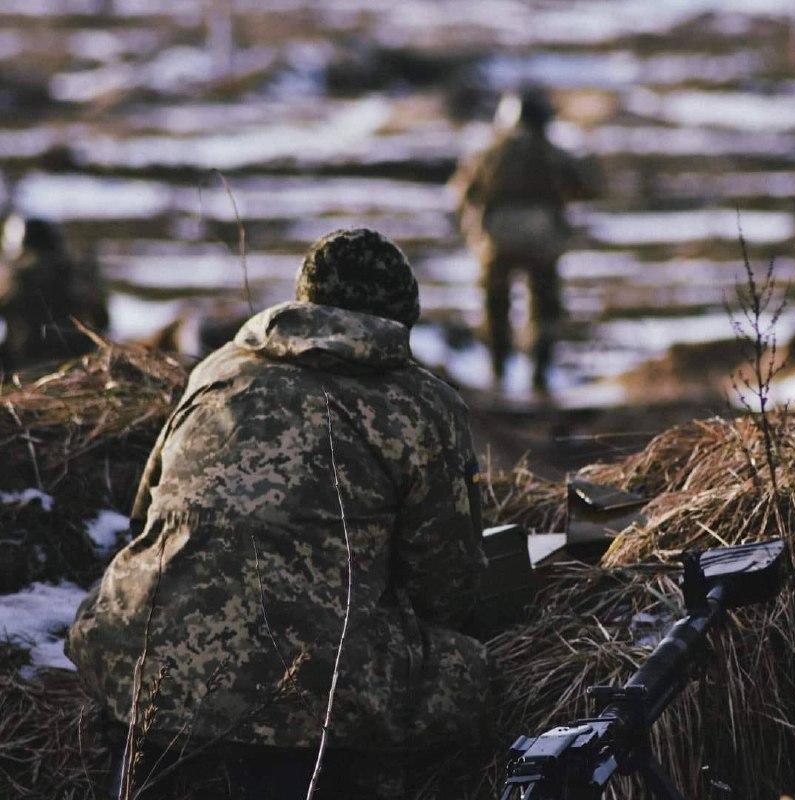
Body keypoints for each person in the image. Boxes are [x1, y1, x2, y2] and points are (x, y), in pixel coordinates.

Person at [67, 228, 491, 799]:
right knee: (470, 676)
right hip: (305, 692)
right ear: (401, 315)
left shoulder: (218, 371)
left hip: (139, 662)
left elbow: (142, 517)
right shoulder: (421, 403)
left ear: (304, 300)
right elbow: (447, 587)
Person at [450, 85, 602, 393]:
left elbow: (462, 192)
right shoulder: (553, 153)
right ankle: (540, 374)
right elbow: (588, 186)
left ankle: (497, 369)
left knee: (495, 305)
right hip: (543, 237)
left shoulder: (489, 153)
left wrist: (471, 230)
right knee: (544, 306)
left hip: (496, 240)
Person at [0, 215, 109, 372]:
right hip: (74, 363)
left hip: (29, 363)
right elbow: (103, 322)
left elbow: (102, 320)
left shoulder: (12, 281)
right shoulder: (78, 278)